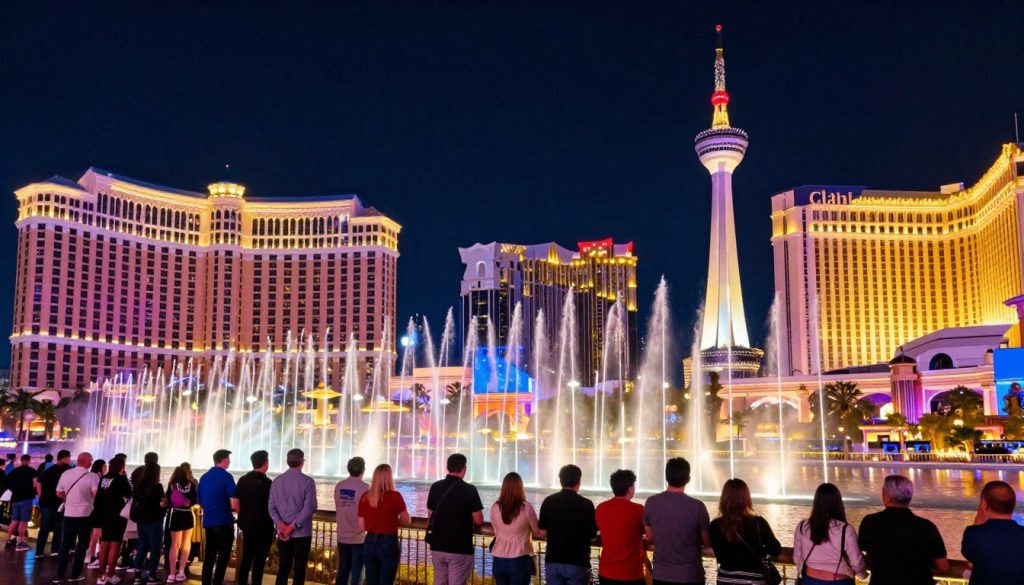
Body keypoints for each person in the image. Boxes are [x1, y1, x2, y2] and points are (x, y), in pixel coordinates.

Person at [858, 475, 948, 585]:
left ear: (886, 496)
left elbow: (859, 554)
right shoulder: (926, 527)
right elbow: (943, 566)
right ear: (909, 497)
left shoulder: (870, 523)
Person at [643, 458, 710, 585]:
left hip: (661, 575)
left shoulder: (651, 503)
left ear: (666, 477)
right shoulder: (697, 506)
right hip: (690, 576)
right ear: (688, 479)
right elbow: (706, 542)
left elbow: (650, 537)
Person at [709, 479, 781, 585]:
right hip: (754, 579)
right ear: (746, 498)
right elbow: (776, 550)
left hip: (725, 579)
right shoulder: (758, 523)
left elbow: (718, 553)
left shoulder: (715, 525)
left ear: (723, 498)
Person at [426, 453, 484, 585]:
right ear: (464, 469)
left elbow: (430, 514)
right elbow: (479, 520)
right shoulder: (470, 490)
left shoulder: (435, 487)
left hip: (437, 546)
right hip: (459, 548)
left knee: (439, 582)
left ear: (447, 467)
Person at [793, 483, 867, 585]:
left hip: (810, 579)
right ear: (838, 503)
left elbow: (797, 557)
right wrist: (862, 574)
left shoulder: (802, 527)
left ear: (816, 502)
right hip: (837, 581)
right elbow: (856, 562)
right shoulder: (846, 530)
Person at [539, 464, 597, 585]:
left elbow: (543, 532)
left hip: (553, 560)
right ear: (579, 481)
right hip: (578, 562)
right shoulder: (586, 504)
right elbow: (592, 535)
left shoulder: (548, 501)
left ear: (560, 481)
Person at [269, 448, 318, 585]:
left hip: (283, 533)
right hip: (302, 533)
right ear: (302, 462)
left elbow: (271, 507)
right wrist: (293, 526)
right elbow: (310, 507)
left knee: (283, 567)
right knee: (299, 568)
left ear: (287, 462)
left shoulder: (277, 481)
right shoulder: (308, 482)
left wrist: (281, 525)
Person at [962, 480, 1024, 585]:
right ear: (1013, 505)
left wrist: (979, 519)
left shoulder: (973, 534)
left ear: (984, 505)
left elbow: (970, 557)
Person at [358, 464, 410, 585]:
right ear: (390, 478)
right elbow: (406, 520)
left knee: (371, 581)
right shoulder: (395, 496)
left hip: (369, 541)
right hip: (389, 542)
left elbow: (361, 526)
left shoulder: (365, 497)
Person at [55, 451, 101, 583]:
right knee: (81, 545)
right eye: (91, 459)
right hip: (85, 514)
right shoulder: (92, 476)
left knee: (65, 544)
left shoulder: (66, 473)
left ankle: (59, 575)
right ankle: (75, 574)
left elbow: (58, 492)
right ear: (85, 461)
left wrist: (70, 498)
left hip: (68, 514)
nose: (92, 462)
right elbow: (95, 494)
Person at [491, 472, 543, 585]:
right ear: (520, 488)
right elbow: (536, 531)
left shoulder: (495, 507)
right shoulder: (526, 507)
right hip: (518, 559)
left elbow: (496, 530)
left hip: (498, 559)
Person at [595, 470, 645, 585]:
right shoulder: (639, 510)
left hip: (606, 572)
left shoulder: (601, 508)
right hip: (632, 574)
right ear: (630, 489)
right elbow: (647, 532)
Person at [197, 449, 238, 585]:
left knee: (210, 554)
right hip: (224, 521)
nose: (230, 462)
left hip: (208, 521)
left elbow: (199, 500)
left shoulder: (204, 477)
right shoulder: (226, 476)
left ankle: (205, 582)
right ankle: (217, 581)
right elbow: (234, 499)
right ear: (224, 460)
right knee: (224, 555)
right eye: (228, 459)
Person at [236, 451, 274, 585]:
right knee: (259, 561)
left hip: (247, 526)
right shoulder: (269, 483)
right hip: (265, 527)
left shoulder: (243, 480)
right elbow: (274, 506)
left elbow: (235, 503)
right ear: (265, 464)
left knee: (246, 558)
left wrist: (244, 516)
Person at [94, 457, 131, 585]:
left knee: (104, 543)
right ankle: (110, 575)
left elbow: (98, 497)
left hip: (103, 514)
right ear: (121, 466)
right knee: (115, 545)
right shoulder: (121, 479)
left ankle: (101, 576)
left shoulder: (104, 478)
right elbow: (129, 494)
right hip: (117, 515)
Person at [335, 456, 369, 585]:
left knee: (342, 570)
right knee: (357, 572)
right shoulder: (365, 488)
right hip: (358, 537)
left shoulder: (339, 486)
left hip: (342, 535)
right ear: (363, 470)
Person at [132, 461, 167, 584]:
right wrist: (163, 504)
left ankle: (137, 576)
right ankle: (152, 577)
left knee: (142, 547)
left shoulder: (139, 486)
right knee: (155, 549)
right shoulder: (157, 486)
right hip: (154, 521)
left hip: (141, 521)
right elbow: (161, 503)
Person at [166, 463, 198, 583]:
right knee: (186, 544)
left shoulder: (172, 485)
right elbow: (194, 501)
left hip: (176, 515)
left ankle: (171, 574)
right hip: (188, 515)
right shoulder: (192, 485)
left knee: (174, 545)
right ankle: (181, 572)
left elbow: (168, 501)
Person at [36, 449, 72, 557]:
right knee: (58, 527)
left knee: (44, 528)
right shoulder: (68, 471)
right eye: (68, 458)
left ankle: (39, 552)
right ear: (66, 458)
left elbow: (38, 483)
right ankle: (55, 550)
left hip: (46, 503)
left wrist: (40, 495)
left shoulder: (48, 470)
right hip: (59, 504)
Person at [5, 453, 37, 551]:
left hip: (15, 499)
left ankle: (9, 540)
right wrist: (34, 493)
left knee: (14, 521)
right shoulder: (32, 471)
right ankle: (21, 542)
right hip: (26, 499)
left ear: (21, 460)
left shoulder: (14, 471)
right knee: (23, 522)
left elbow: (6, 482)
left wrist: (14, 489)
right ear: (28, 460)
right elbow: (35, 484)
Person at [86, 459, 109, 569]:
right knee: (96, 535)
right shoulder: (96, 477)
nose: (106, 469)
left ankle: (92, 556)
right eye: (105, 467)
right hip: (96, 509)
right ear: (100, 467)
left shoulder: (91, 475)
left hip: (93, 509)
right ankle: (92, 557)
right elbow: (95, 493)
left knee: (94, 534)